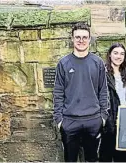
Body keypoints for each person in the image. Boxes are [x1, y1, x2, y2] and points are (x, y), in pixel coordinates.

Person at [53, 22, 109, 162]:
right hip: (70, 121)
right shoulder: (64, 63)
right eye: (77, 37)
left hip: (93, 120)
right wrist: (59, 120)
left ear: (89, 39)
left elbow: (103, 90)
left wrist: (102, 117)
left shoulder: (97, 62)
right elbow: (58, 92)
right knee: (70, 159)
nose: (81, 40)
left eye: (84, 37)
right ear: (72, 39)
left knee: (91, 159)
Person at [99, 43, 126, 162]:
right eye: (115, 53)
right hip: (109, 122)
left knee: (124, 158)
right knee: (106, 156)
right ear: (110, 55)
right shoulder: (102, 73)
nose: (118, 56)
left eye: (122, 54)